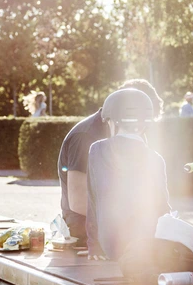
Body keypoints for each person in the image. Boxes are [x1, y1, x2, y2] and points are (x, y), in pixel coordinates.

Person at [57, 79, 163, 244]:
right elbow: (77, 201)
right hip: (85, 230)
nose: (142, 129)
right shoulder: (85, 136)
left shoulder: (133, 130)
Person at [85, 88, 171, 261]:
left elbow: (93, 199)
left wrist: (94, 245)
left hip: (109, 247)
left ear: (113, 122)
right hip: (145, 248)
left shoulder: (97, 150)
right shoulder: (156, 159)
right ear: (145, 123)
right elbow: (163, 208)